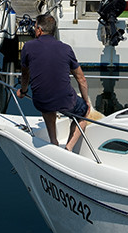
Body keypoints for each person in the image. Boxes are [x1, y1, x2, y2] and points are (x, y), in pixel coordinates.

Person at [18, 15, 90, 150]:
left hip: (41, 101)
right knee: (82, 115)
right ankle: (68, 148)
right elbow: (82, 79)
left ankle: (53, 141)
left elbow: (25, 75)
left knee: (47, 104)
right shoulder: (66, 48)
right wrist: (86, 102)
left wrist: (23, 91)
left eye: (34, 28)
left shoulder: (28, 47)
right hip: (65, 100)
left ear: (39, 30)